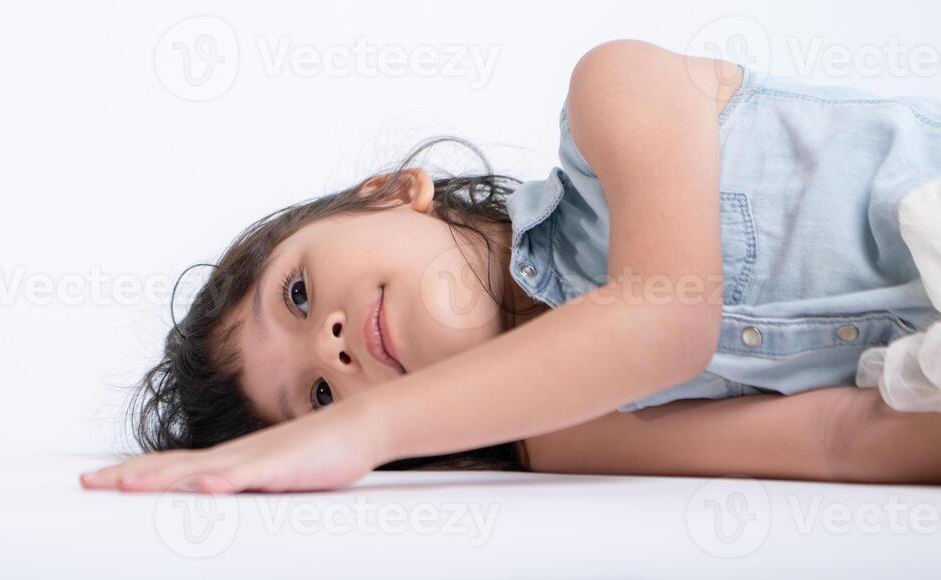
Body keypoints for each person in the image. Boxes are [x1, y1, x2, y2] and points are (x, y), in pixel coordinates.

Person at [82, 39, 941, 492]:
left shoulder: (614, 96)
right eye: (315, 397)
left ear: (388, 191)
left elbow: (664, 320)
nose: (334, 348)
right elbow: (841, 442)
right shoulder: (571, 439)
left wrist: (357, 428)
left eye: (298, 295)